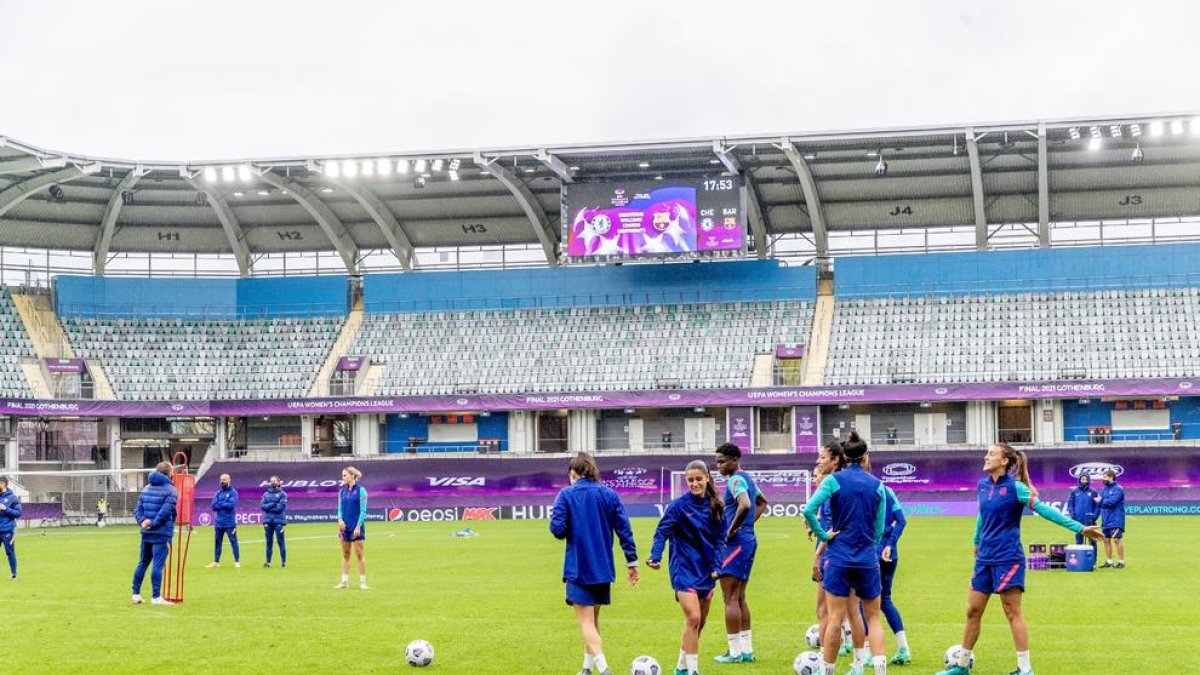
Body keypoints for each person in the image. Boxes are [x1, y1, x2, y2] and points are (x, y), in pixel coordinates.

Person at [934, 443, 1104, 675]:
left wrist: (1081, 528)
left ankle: (1025, 669)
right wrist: (976, 541)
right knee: (972, 611)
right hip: (985, 557)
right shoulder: (982, 486)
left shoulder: (1016, 488)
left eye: (991, 453)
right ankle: (962, 666)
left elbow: (1045, 510)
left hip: (1008, 557)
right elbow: (982, 516)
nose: (986, 456)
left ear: (1004, 461)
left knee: (1012, 612)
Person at [802, 431, 889, 675]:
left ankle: (828, 671)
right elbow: (880, 527)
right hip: (866, 558)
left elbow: (808, 510)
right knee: (872, 617)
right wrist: (871, 544)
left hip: (839, 557)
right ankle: (879, 671)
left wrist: (824, 535)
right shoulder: (878, 485)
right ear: (864, 457)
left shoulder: (833, 480)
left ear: (845, 456)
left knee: (834, 619)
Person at [550, 451, 639, 675]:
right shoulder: (609, 495)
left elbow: (558, 530)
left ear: (573, 473)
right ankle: (586, 668)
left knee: (585, 622)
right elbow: (624, 531)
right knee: (593, 619)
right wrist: (632, 562)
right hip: (603, 568)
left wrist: (564, 521)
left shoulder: (566, 495)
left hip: (579, 568)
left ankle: (604, 668)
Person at [648, 460, 723, 675]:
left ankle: (681, 666)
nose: (694, 483)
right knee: (693, 618)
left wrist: (717, 565)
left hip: (707, 570)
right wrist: (655, 555)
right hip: (683, 569)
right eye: (690, 480)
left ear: (707, 478)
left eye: (699, 479)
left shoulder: (716, 506)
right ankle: (693, 671)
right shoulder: (678, 506)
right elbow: (661, 532)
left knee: (701, 622)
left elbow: (720, 540)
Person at [808, 445, 867, 667]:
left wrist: (818, 554)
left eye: (822, 457)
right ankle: (859, 664)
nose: (818, 460)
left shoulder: (832, 484)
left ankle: (824, 663)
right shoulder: (847, 483)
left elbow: (833, 526)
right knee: (853, 611)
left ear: (835, 460)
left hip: (831, 554)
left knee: (824, 611)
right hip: (854, 553)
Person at [712, 442, 768, 665]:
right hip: (748, 540)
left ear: (734, 460)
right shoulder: (747, 478)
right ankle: (746, 650)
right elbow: (762, 503)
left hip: (736, 543)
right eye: (717, 462)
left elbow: (745, 504)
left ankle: (734, 653)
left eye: (722, 461)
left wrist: (732, 529)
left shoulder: (736, 479)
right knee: (740, 596)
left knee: (729, 598)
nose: (719, 466)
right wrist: (747, 526)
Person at [131, 462, 178, 605]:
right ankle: (156, 597)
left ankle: (136, 594)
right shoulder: (171, 490)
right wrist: (153, 523)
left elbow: (137, 510)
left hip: (146, 532)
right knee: (158, 565)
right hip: (161, 533)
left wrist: (143, 522)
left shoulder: (146, 488)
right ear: (169, 473)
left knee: (143, 563)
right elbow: (165, 512)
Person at [878, 483, 911, 666]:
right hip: (890, 553)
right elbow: (902, 520)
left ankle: (867, 652)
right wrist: (890, 544)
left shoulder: (867, 489)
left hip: (870, 552)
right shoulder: (887, 490)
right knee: (885, 600)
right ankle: (903, 648)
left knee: (861, 601)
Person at [335, 466, 368, 590]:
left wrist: (358, 526)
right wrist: (339, 520)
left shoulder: (361, 491)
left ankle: (363, 582)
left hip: (356, 527)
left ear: (352, 476)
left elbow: (363, 511)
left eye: (345, 475)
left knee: (359, 554)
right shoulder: (342, 492)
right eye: (342, 475)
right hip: (344, 527)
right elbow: (339, 508)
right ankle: (344, 582)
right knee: (345, 554)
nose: (343, 477)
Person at [207, 473, 240, 569]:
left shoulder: (233, 492)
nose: (222, 481)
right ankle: (216, 562)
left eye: (224, 479)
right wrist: (224, 504)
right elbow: (213, 506)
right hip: (219, 523)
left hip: (230, 523)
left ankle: (237, 561)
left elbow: (231, 505)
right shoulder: (218, 493)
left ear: (229, 480)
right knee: (217, 542)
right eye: (221, 479)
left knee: (233, 541)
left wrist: (220, 504)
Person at [1066, 473, 1099, 555]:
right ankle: (1080, 561)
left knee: (1092, 542)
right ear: (1079, 480)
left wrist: (1095, 516)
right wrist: (1072, 514)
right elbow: (1070, 504)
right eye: (1082, 479)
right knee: (1079, 542)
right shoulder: (1074, 491)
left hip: (1090, 521)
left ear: (1088, 480)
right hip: (1078, 520)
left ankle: (1092, 562)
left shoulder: (1093, 491)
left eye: (1086, 479)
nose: (1084, 481)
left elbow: (1098, 505)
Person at [1099, 469, 1126, 569]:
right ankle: (1109, 562)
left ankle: (1121, 562)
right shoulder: (1104, 489)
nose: (1103, 479)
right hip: (1106, 518)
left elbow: (1112, 501)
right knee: (1106, 540)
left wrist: (1101, 501)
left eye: (1105, 477)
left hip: (1116, 518)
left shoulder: (1118, 489)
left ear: (1111, 477)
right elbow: (1100, 503)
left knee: (1117, 539)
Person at [260, 475, 288, 568]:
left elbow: (280, 508)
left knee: (280, 541)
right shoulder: (266, 494)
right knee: (269, 542)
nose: (273, 482)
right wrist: (273, 504)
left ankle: (283, 562)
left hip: (279, 521)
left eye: (275, 481)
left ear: (279, 482)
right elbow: (262, 506)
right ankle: (268, 562)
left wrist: (269, 507)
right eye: (271, 481)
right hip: (268, 521)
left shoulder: (282, 494)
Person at [0, 476, 22, 580]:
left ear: (4, 484)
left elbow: (18, 513)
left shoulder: (12, 498)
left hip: (7, 530)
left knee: (10, 552)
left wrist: (5, 509)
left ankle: (14, 574)